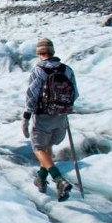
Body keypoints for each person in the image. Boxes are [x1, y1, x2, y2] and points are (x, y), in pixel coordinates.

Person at [22, 38, 78, 201]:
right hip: (61, 116)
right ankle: (41, 179)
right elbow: (75, 93)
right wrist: (63, 107)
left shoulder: (38, 70)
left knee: (38, 148)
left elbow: (32, 95)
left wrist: (26, 116)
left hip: (42, 115)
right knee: (48, 147)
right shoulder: (67, 70)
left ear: (39, 53)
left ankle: (58, 179)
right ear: (52, 52)